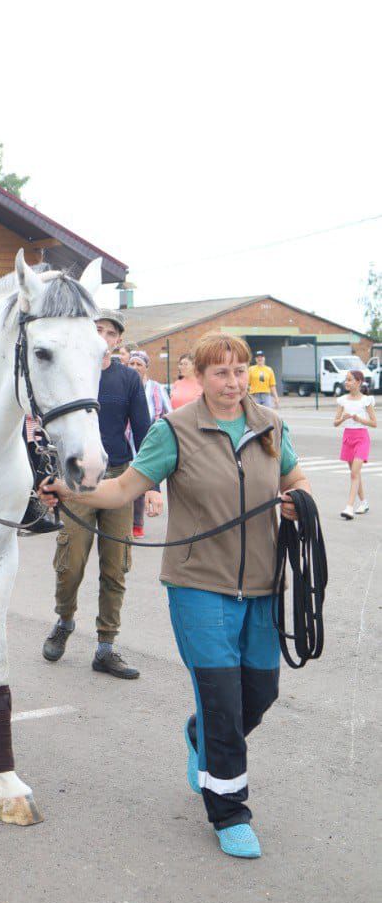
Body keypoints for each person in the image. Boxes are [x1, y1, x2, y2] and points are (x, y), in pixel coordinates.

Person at [40, 333, 310, 860]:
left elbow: (296, 479)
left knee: (259, 693)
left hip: (262, 585)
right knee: (223, 703)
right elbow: (123, 490)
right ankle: (229, 811)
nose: (232, 384)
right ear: (200, 379)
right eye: (220, 374)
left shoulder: (270, 426)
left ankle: (197, 735)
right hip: (198, 587)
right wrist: (72, 491)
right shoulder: (174, 431)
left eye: (239, 373)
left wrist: (299, 501)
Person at [42, 308, 156, 678]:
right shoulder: (72, 374)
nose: (103, 337)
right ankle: (64, 620)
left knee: (115, 567)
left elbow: (144, 431)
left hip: (120, 480)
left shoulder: (127, 379)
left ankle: (106, 646)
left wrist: (152, 486)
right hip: (76, 482)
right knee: (70, 564)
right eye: (97, 329)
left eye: (110, 332)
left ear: (118, 340)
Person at [126, 349, 168, 537]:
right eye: (132, 364)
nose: (135, 367)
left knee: (143, 481)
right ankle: (125, 523)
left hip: (149, 441)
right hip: (125, 441)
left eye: (139, 364)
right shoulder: (123, 385)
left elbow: (169, 413)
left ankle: (137, 524)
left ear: (146, 368)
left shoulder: (156, 388)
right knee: (125, 482)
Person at [334, 368, 376, 519]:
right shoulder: (342, 400)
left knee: (354, 473)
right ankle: (364, 502)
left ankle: (349, 507)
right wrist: (344, 418)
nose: (347, 382)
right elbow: (335, 423)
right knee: (355, 474)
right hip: (348, 438)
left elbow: (374, 423)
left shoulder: (366, 400)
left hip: (362, 438)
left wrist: (359, 419)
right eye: (346, 379)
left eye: (350, 379)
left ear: (358, 382)